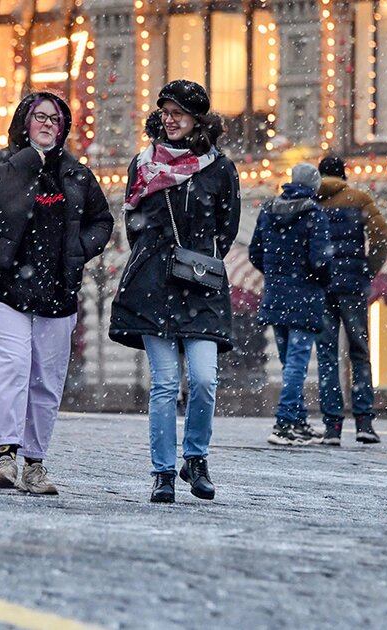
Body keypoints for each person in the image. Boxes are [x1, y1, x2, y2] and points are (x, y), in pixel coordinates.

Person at [0, 91, 114, 495]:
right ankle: (6, 455)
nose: (49, 123)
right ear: (24, 121)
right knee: (11, 367)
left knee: (47, 381)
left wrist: (77, 252)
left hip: (56, 289)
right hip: (3, 285)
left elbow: (102, 220)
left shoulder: (77, 174)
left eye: (56, 118)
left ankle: (35, 463)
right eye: (40, 116)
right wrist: (33, 155)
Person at [110, 80, 240, 504]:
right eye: (165, 111)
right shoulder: (143, 163)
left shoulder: (220, 168)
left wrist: (196, 256)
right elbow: (133, 221)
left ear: (197, 118)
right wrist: (157, 256)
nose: (170, 118)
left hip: (199, 284)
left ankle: (195, 458)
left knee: (203, 379)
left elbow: (228, 227)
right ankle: (163, 471)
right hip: (152, 285)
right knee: (165, 383)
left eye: (178, 112)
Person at [250, 163, 332, 446]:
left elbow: (254, 253)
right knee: (297, 362)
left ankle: (297, 421)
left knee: (289, 362)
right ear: (314, 186)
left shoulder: (268, 209)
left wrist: (276, 275)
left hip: (276, 294)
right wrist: (320, 279)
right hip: (305, 296)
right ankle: (284, 423)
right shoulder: (314, 214)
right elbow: (320, 259)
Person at [314, 155, 387, 446]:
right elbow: (381, 234)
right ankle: (364, 422)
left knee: (327, 356)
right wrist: (368, 267)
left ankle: (332, 426)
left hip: (322, 286)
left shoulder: (313, 200)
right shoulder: (359, 199)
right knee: (359, 352)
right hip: (352, 286)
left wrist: (316, 272)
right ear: (344, 175)